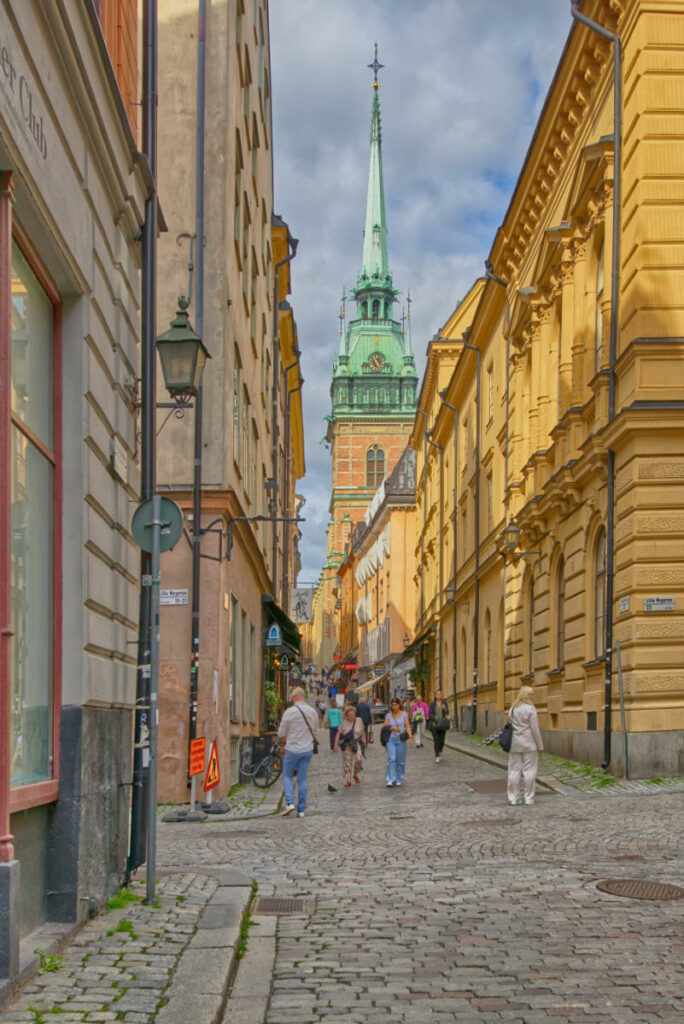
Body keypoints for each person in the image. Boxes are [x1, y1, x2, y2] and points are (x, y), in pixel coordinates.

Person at [276, 687, 319, 818]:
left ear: (294, 698)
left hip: (292, 749)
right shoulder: (313, 712)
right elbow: (315, 732)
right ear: (303, 697)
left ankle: (290, 803)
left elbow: (281, 733)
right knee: (302, 779)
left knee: (287, 775)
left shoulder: (289, 712)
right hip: (307, 749)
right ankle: (301, 810)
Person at [506, 684, 544, 805]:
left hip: (515, 743)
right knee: (530, 770)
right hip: (529, 744)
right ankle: (529, 797)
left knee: (513, 770)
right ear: (527, 696)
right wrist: (540, 746)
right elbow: (535, 730)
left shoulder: (513, 708)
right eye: (533, 694)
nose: (534, 696)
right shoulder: (531, 709)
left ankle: (514, 797)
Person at [333, 705, 366, 786]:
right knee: (347, 763)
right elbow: (338, 734)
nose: (352, 716)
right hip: (347, 744)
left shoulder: (359, 720)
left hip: (357, 742)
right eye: (350, 714)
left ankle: (355, 774)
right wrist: (335, 745)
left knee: (359, 759)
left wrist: (364, 740)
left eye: (353, 714)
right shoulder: (343, 723)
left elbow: (362, 731)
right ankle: (348, 780)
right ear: (346, 715)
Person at [384, 697, 413, 787]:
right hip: (391, 740)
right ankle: (390, 779)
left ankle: (399, 778)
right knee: (392, 758)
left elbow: (407, 726)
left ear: (399, 705)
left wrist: (410, 736)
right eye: (392, 705)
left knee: (400, 760)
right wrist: (392, 728)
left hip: (401, 739)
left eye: (396, 705)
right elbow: (384, 728)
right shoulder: (388, 716)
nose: (394, 707)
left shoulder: (404, 714)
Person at [428, 690, 449, 762]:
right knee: (436, 740)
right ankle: (437, 755)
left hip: (442, 724)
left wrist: (444, 708)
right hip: (434, 725)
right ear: (435, 695)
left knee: (442, 741)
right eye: (437, 694)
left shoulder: (444, 702)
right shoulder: (432, 704)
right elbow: (430, 714)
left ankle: (440, 751)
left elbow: (447, 712)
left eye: (440, 694)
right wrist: (435, 719)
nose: (439, 695)